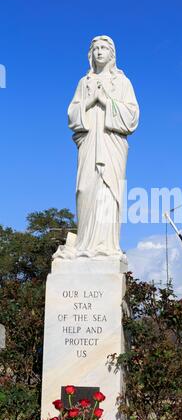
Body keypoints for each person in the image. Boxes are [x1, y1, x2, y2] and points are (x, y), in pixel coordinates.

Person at [54, 36, 139, 259]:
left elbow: (132, 118)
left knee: (108, 192)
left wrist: (106, 100)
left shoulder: (122, 82)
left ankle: (106, 246)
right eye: (96, 49)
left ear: (112, 54)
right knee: (85, 189)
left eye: (104, 48)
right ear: (90, 54)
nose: (100, 52)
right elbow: (72, 116)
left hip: (112, 144)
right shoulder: (84, 83)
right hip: (90, 143)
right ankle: (84, 244)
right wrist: (91, 101)